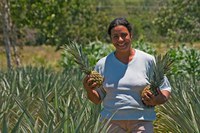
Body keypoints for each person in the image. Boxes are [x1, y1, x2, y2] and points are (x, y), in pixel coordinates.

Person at [83, 17, 171, 133]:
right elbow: (97, 99)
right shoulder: (103, 64)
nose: (120, 40)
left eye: (124, 35)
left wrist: (155, 100)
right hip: (110, 122)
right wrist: (88, 89)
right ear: (111, 39)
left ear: (131, 35)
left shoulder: (147, 60)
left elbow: (165, 89)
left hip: (142, 121)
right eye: (115, 36)